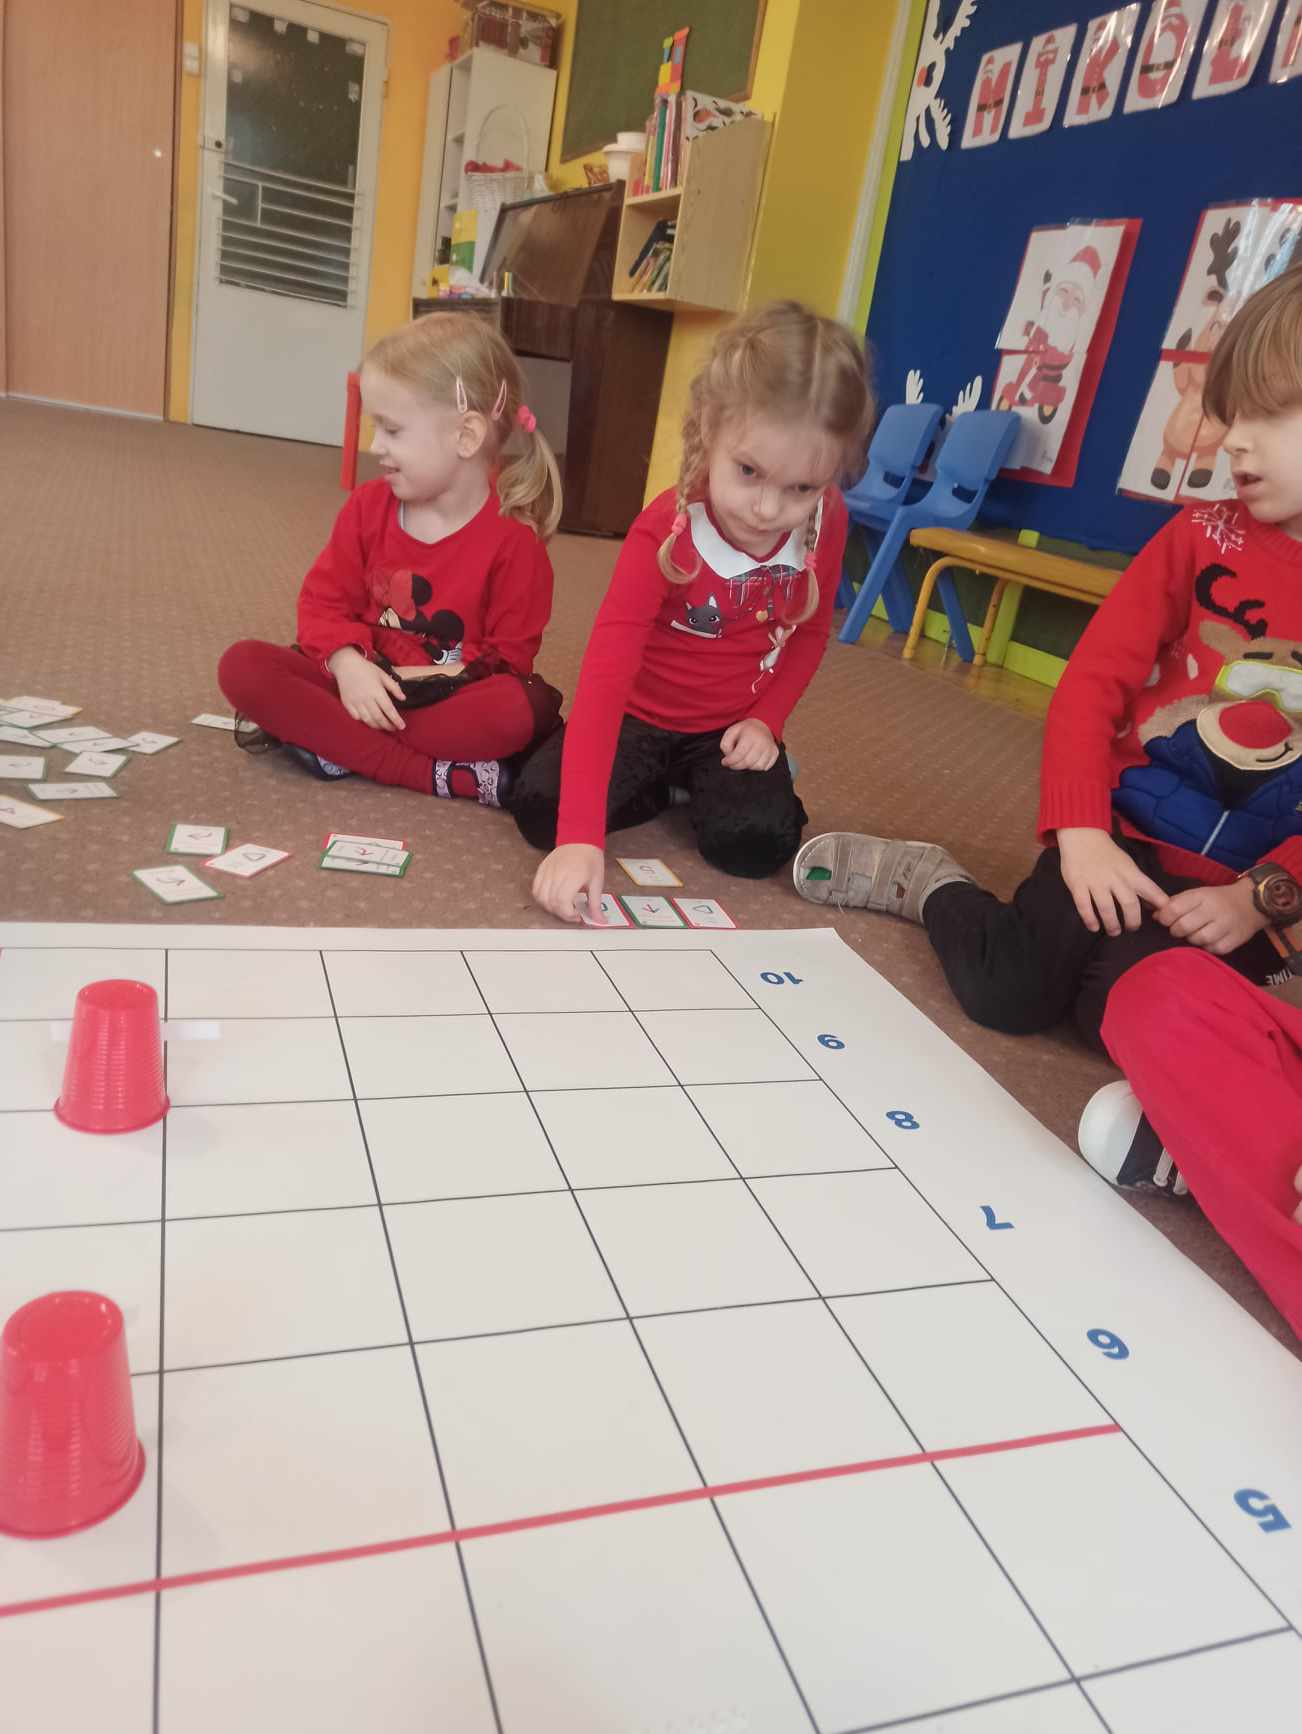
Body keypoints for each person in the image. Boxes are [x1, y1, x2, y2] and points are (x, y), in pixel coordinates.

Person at [794, 257, 1302, 1320]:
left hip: (1234, 899)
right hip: (1119, 839)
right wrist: (1080, 833)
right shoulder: (1198, 537)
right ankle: (936, 885)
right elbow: (1089, 691)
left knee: (1127, 1005)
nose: (1234, 443)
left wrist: (1260, 898)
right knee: (1011, 993)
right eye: (1230, 415)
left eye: (1270, 417)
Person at [515, 300, 873, 920]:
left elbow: (811, 633)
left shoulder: (826, 521)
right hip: (638, 716)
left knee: (757, 845)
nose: (768, 509)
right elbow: (605, 674)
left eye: (801, 487)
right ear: (710, 429)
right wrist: (580, 837)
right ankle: (665, 786)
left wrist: (766, 721)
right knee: (542, 810)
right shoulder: (666, 528)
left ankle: (693, 781)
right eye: (749, 471)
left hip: (726, 730)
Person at [218, 313, 563, 807]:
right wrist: (348, 665)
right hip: (359, 680)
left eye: (393, 430)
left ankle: (338, 744)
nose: (375, 446)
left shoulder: (516, 542)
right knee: (243, 667)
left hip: (443, 696)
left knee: (518, 709)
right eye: (375, 427)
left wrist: (406, 683)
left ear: (466, 435)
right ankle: (433, 774)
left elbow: (506, 661)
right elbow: (321, 605)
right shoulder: (367, 506)